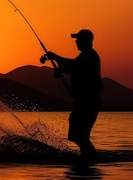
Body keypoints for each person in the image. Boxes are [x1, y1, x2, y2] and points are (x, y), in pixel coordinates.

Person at [44, 29, 103, 159]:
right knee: (76, 136)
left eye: (78, 39)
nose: (76, 41)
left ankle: (90, 159)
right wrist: (60, 69)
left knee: (80, 136)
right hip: (84, 101)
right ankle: (87, 158)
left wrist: (55, 57)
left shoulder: (90, 56)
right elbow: (74, 68)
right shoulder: (85, 56)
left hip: (89, 102)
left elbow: (75, 66)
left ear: (85, 41)